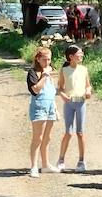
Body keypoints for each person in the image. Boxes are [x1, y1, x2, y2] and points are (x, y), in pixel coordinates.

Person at [56, 44, 92, 172]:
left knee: (80, 132)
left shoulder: (84, 69)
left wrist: (88, 92)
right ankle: (61, 160)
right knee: (68, 132)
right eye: (79, 53)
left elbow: (88, 85)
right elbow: (60, 88)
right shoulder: (64, 70)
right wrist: (63, 95)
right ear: (71, 57)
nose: (81, 55)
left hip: (81, 102)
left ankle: (81, 161)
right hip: (69, 103)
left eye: (82, 53)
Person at [26, 46, 59, 177]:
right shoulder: (33, 73)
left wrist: (55, 108)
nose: (47, 63)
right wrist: (44, 75)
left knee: (47, 137)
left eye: (49, 60)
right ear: (38, 59)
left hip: (50, 106)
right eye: (44, 60)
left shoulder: (50, 73)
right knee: (37, 138)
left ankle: (45, 165)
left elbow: (52, 91)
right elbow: (36, 89)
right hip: (39, 107)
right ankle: (34, 166)